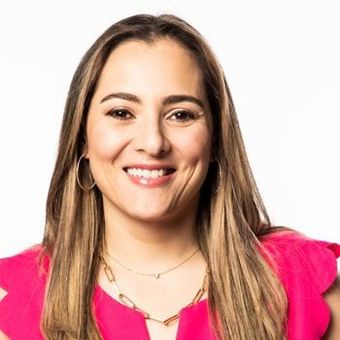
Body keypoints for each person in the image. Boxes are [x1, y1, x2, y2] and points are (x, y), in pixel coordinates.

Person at [0, 13, 339, 340]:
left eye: (180, 114)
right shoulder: (16, 300)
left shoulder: (302, 282)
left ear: (215, 137)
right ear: (83, 137)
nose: (153, 142)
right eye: (121, 113)